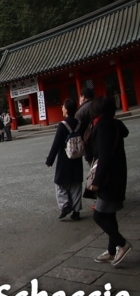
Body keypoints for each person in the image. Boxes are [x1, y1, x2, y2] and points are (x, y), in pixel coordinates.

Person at [87, 96, 131, 267]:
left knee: (99, 215)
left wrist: (96, 182)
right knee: (109, 214)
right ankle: (112, 250)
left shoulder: (104, 126)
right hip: (116, 174)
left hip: (108, 177)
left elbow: (104, 156)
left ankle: (122, 244)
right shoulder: (114, 124)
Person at [45, 98, 83, 220]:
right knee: (76, 185)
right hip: (77, 158)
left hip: (65, 159)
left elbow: (56, 144)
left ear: (66, 110)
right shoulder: (79, 123)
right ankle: (76, 212)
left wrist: (50, 160)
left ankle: (65, 205)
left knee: (59, 183)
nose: (62, 108)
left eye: (63, 107)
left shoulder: (63, 125)